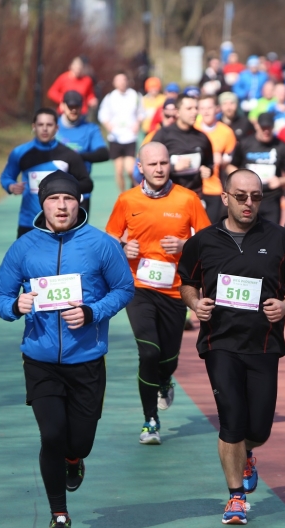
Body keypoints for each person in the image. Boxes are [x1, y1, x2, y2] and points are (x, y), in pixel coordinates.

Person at [0, 170, 135, 528]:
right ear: (43, 204)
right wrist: (15, 306)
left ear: (79, 202)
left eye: (68, 198)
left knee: (80, 442)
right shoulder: (25, 246)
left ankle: (75, 459)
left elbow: (124, 288)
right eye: (54, 199)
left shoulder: (101, 244)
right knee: (51, 434)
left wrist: (92, 312)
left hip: (86, 359)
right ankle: (59, 514)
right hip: (40, 360)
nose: (61, 205)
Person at [177, 168, 285, 525]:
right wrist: (195, 303)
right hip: (219, 343)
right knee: (231, 419)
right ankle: (236, 497)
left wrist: (284, 306)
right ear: (225, 198)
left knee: (259, 429)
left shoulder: (279, 238)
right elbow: (187, 282)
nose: (249, 203)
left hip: (264, 344)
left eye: (255, 197)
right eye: (241, 196)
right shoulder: (203, 242)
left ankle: (248, 451)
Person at [106, 142, 210, 444]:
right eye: (152, 164)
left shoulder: (188, 199)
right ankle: (150, 419)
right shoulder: (127, 200)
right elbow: (109, 240)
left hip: (177, 291)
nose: (159, 169)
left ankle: (165, 379)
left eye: (164, 163)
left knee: (169, 358)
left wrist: (185, 246)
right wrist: (124, 247)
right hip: (138, 287)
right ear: (140, 167)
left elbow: (209, 240)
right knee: (148, 352)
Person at [0, 108, 92, 238]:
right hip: (28, 222)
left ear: (57, 128)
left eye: (49, 125)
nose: (44, 129)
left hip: (59, 224)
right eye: (40, 125)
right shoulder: (20, 153)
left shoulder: (69, 155)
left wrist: (65, 188)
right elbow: (7, 176)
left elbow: (87, 183)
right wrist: (10, 186)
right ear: (34, 127)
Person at [228, 112, 285, 225]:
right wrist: (241, 179)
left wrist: (280, 181)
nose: (266, 131)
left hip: (271, 198)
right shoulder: (245, 143)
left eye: (269, 128)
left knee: (270, 236)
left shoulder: (281, 146)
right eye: (263, 128)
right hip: (247, 199)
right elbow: (231, 166)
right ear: (257, 126)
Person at [55, 91, 110, 214]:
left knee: (79, 232)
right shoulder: (52, 126)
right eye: (70, 107)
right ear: (62, 106)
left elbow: (104, 154)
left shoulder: (90, 129)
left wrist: (77, 157)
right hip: (54, 188)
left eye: (77, 106)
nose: (74, 110)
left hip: (80, 189)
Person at [151, 93, 214, 194]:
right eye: (189, 109)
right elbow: (149, 165)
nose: (194, 112)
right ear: (177, 112)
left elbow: (210, 164)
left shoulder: (202, 137)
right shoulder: (163, 135)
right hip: (169, 195)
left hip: (195, 195)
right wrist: (173, 167)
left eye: (196, 108)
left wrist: (208, 171)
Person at [98, 72, 144, 193]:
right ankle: (123, 195)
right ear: (114, 83)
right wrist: (109, 126)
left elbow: (141, 112)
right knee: (118, 171)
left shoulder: (135, 95)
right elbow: (102, 114)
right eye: (118, 80)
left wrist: (137, 124)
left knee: (130, 170)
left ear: (127, 81)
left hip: (130, 137)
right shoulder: (110, 97)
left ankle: (137, 191)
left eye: (123, 80)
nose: (121, 82)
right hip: (115, 138)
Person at [196, 95, 237, 223]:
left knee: (211, 227)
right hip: (194, 188)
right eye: (202, 108)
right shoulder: (193, 129)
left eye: (209, 107)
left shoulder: (226, 132)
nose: (206, 111)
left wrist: (223, 160)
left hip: (215, 188)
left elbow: (230, 158)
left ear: (217, 109)